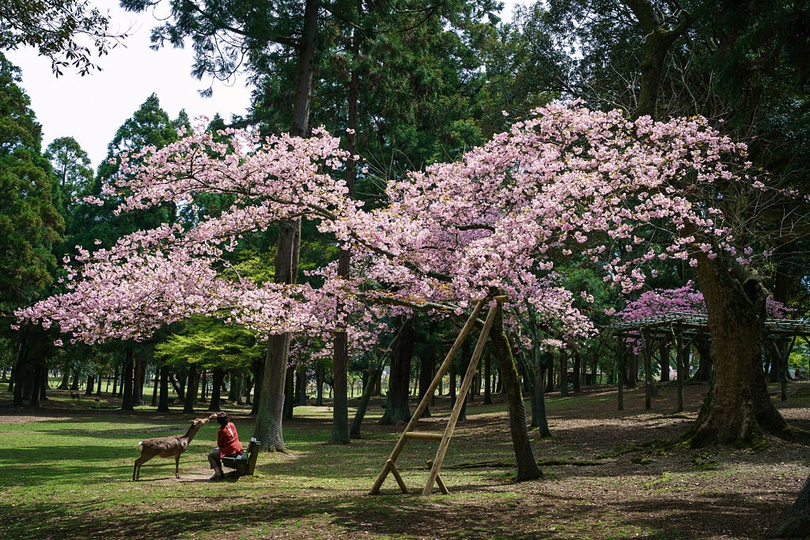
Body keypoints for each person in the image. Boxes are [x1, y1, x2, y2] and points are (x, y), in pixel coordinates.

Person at [207, 412, 243, 481]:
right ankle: (220, 472)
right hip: (238, 449)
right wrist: (217, 417)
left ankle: (218, 472)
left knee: (211, 456)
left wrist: (217, 417)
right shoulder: (231, 424)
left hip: (230, 451)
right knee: (215, 451)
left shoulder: (221, 431)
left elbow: (219, 444)